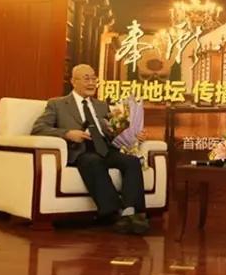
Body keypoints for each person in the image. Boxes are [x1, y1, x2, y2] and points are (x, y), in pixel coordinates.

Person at [31, 64, 150, 235]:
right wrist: (67, 133)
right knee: (93, 161)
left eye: (94, 79)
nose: (92, 82)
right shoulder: (57, 104)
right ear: (73, 81)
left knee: (131, 162)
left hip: (106, 148)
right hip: (81, 151)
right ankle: (114, 213)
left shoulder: (101, 105)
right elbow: (38, 128)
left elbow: (113, 132)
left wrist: (134, 135)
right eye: (86, 78)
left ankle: (131, 212)